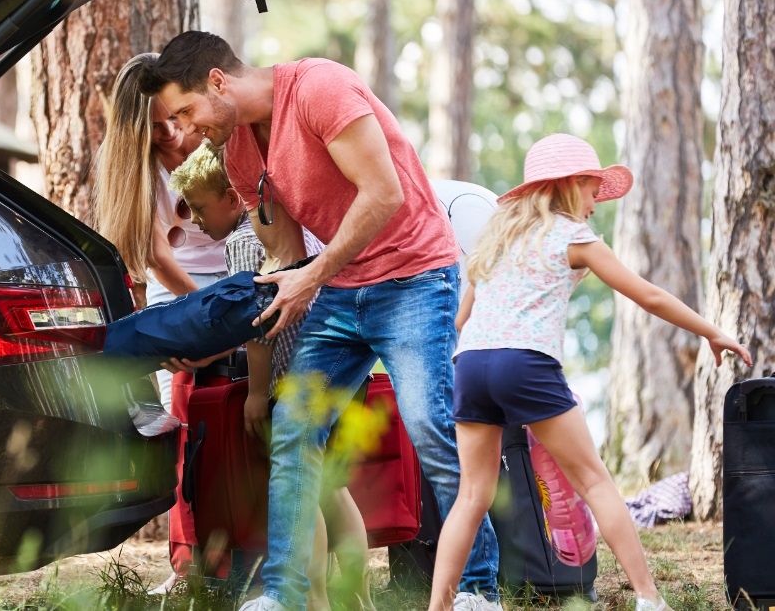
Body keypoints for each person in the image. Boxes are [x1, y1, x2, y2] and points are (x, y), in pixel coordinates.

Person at [138, 32, 501, 611]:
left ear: (218, 81)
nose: (184, 130)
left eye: (185, 111)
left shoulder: (319, 89)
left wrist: (314, 275)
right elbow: (284, 254)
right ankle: (284, 597)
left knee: (430, 428)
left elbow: (383, 193)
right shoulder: (238, 152)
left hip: (413, 277)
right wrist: (218, 335)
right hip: (340, 287)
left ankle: (479, 590)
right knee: (294, 428)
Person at [426, 133, 753, 611]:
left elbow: (461, 320)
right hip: (525, 362)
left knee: (472, 495)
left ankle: (438, 606)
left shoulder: (496, 239)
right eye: (593, 190)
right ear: (570, 184)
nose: (596, 204)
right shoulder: (573, 236)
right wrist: (712, 332)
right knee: (595, 482)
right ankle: (649, 598)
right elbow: (649, 296)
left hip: (471, 364)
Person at [168, 141, 373, 610]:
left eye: (199, 207)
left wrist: (257, 394)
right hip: (348, 367)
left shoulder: (246, 241)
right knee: (333, 487)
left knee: (301, 485)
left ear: (232, 196)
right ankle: (360, 598)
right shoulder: (300, 223)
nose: (195, 220)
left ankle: (316, 600)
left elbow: (258, 324)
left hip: (298, 375)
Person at [92, 52, 228, 594]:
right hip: (189, 302)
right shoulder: (139, 170)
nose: (171, 133)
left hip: (240, 286)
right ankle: (188, 565)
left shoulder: (212, 137)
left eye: (174, 117)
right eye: (155, 127)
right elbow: (157, 258)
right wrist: (210, 317)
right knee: (189, 432)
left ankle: (243, 556)